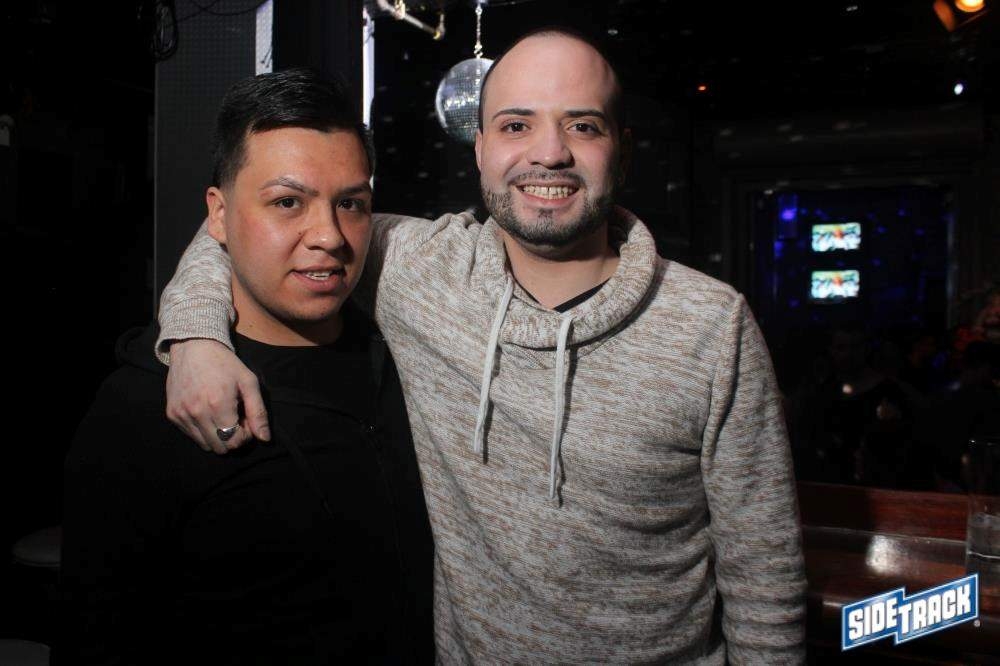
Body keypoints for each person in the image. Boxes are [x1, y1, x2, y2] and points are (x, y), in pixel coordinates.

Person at [157, 29, 806, 663]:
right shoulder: (419, 267)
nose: (549, 153)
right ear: (480, 148)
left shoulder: (711, 325)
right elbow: (243, 225)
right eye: (516, 125)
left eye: (582, 126)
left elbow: (765, 575)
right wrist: (196, 336)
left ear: (623, 152)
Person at [57, 69, 433, 665]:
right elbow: (97, 635)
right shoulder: (145, 407)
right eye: (287, 203)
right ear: (218, 214)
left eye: (350, 204)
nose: (329, 236)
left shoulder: (408, 360)